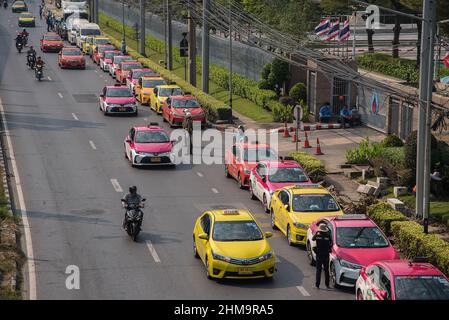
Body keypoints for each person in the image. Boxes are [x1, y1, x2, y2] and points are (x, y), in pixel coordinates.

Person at [312, 223, 333, 289]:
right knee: (326, 271)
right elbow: (331, 243)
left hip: (319, 255)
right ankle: (327, 285)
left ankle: (317, 285)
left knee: (319, 271)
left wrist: (317, 232)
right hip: (326, 256)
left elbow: (313, 239)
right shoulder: (328, 236)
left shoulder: (317, 236)